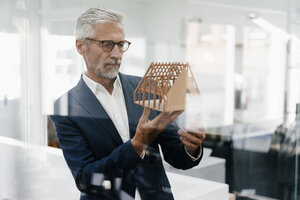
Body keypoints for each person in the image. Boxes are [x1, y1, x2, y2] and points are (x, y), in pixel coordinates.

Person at [50, 7, 206, 200]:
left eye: (121, 44)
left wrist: (190, 147)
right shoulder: (66, 107)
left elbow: (176, 155)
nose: (117, 54)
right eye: (107, 44)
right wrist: (137, 144)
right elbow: (86, 179)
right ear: (81, 46)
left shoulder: (145, 87)